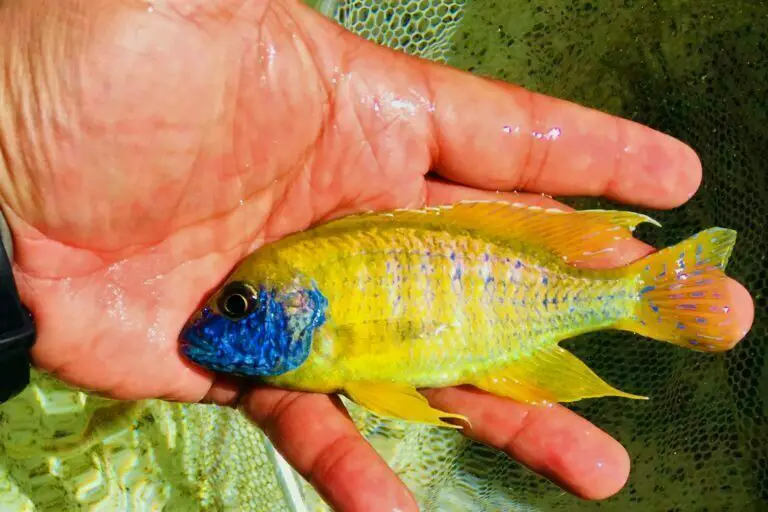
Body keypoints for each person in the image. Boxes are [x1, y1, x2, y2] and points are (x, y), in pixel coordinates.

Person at [0, 1, 754, 511]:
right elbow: (386, 390)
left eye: (238, 304)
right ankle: (636, 299)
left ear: (299, 311)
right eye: (234, 303)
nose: (219, 316)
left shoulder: (312, 322)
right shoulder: (304, 313)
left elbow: (384, 383)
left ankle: (635, 299)